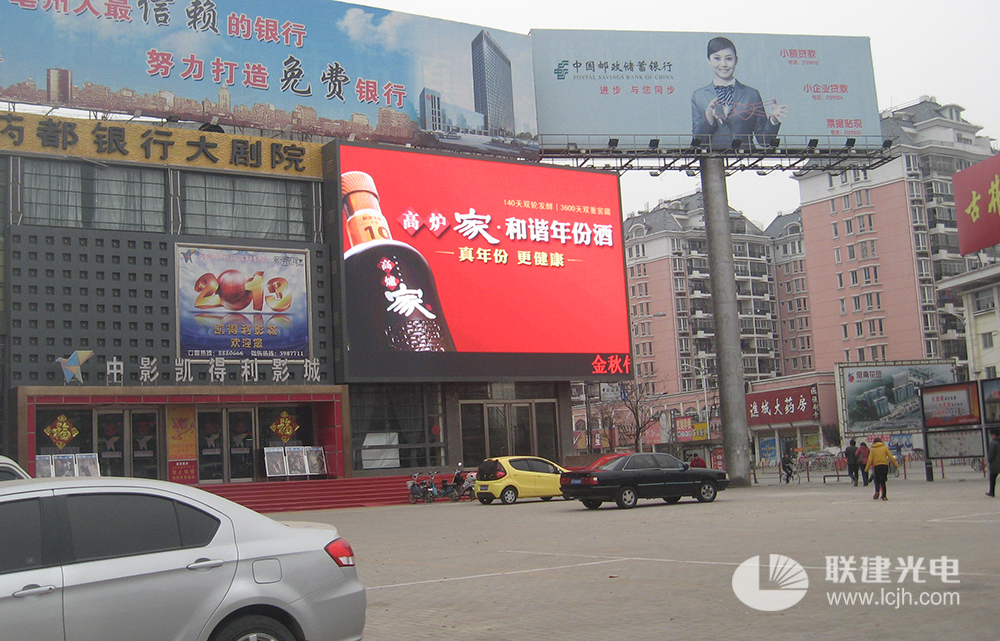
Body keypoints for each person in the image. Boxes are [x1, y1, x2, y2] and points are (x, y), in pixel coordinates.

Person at [690, 36, 788, 151]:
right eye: (717, 58)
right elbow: (698, 142)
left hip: (746, 158)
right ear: (709, 60)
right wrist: (708, 117)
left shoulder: (752, 94)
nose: (723, 64)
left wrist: (773, 120)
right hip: (714, 160)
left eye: (728, 59)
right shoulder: (699, 96)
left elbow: (764, 141)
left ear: (736, 60)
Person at [987, 429, 1000, 497]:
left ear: (993, 435)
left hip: (995, 464)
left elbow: (991, 454)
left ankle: (991, 492)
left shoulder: (993, 443)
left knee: (992, 478)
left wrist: (989, 461)